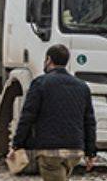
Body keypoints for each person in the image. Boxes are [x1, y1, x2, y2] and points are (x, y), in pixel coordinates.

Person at [9, 44, 97, 180]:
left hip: (50, 150)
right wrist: (90, 152)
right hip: (75, 150)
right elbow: (89, 121)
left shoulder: (40, 83)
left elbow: (28, 116)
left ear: (49, 59)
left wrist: (17, 144)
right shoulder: (82, 86)